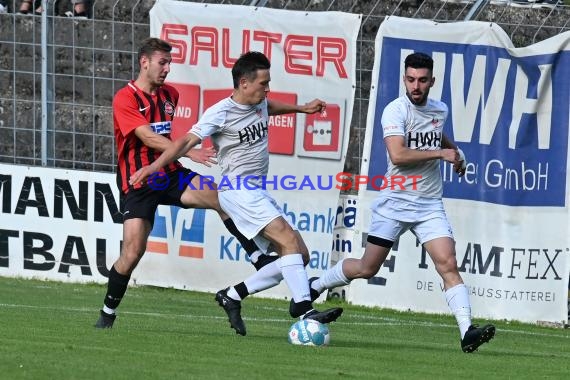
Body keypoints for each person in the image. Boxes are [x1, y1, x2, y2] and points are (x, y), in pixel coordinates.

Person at [129, 51, 343, 336]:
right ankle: (304, 308)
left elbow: (270, 106)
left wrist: (302, 109)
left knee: (299, 256)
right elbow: (183, 143)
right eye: (263, 83)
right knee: (288, 240)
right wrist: (153, 168)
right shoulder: (221, 112)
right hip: (238, 191)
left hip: (256, 191)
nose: (267, 89)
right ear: (244, 83)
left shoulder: (259, 102)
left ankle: (233, 294)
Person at [300, 52, 496, 353]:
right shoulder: (395, 111)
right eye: (410, 79)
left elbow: (434, 133)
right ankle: (316, 285)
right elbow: (399, 156)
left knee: (448, 263)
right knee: (367, 268)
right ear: (404, 79)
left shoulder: (438, 109)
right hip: (394, 203)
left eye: (421, 80)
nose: (416, 85)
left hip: (429, 205)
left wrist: (456, 152)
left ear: (432, 81)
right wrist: (440, 155)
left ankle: (467, 330)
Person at [94, 38, 274, 329]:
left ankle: (258, 257)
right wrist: (190, 150)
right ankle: (107, 314)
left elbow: (164, 139)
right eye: (162, 62)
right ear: (145, 62)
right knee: (133, 252)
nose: (167, 68)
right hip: (138, 179)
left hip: (169, 173)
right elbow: (146, 136)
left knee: (221, 197)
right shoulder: (125, 98)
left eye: (169, 62)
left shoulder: (170, 95)